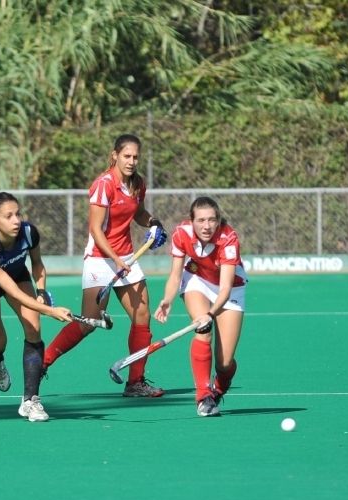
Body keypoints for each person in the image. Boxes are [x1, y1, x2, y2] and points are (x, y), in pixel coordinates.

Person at [43, 134, 168, 397]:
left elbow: (139, 213)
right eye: (127, 156)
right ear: (115, 155)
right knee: (89, 322)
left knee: (142, 316)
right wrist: (117, 259)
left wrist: (154, 223)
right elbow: (96, 230)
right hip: (101, 259)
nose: (132, 161)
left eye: (135, 157)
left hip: (126, 258)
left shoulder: (137, 184)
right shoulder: (104, 184)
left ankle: (135, 382)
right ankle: (42, 362)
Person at [0, 192, 72, 422]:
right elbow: (12, 292)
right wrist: (51, 311)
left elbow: (38, 264)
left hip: (16, 272)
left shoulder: (28, 232)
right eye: (8, 216)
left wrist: (41, 292)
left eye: (18, 214)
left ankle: (30, 401)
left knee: (33, 328)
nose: (16, 220)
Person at [154, 196, 248, 417]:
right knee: (203, 330)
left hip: (231, 289)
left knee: (224, 363)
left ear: (218, 221)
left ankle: (218, 389)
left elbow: (225, 287)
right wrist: (167, 299)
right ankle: (203, 396)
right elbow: (176, 275)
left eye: (212, 220)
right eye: (201, 220)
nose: (207, 226)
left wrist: (210, 313)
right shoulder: (181, 234)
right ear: (192, 220)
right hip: (197, 281)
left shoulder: (228, 238)